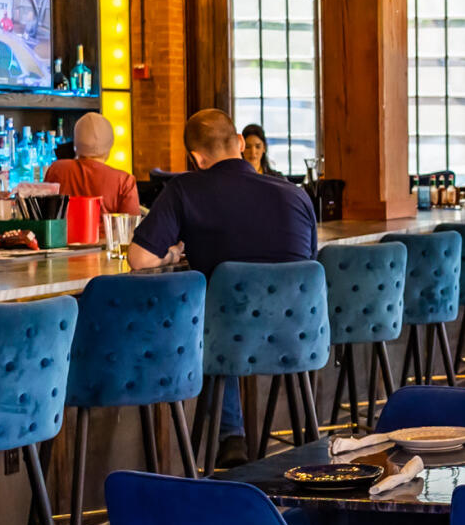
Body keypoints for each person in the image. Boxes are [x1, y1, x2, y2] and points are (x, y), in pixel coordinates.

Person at [129, 109, 317, 468]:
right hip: (299, 338)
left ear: (196, 158)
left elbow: (138, 259)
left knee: (218, 319)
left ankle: (231, 435)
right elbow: (309, 267)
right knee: (224, 316)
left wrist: (171, 253)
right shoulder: (296, 194)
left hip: (227, 341)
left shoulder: (184, 189)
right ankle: (303, 447)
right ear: (241, 144)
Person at [43, 113, 141, 215]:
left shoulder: (57, 169)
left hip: (63, 231)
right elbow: (131, 226)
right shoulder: (124, 181)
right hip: (105, 231)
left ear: (76, 144)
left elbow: (44, 215)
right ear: (109, 144)